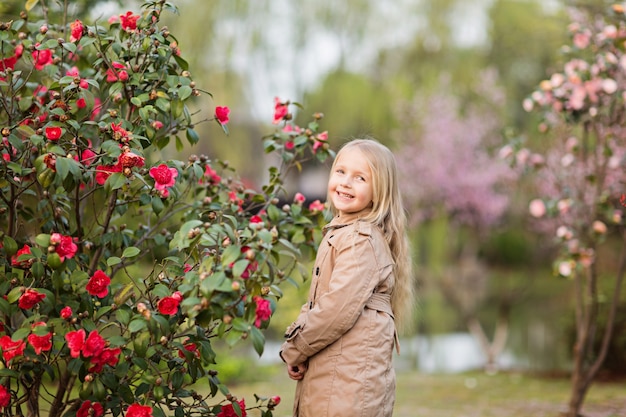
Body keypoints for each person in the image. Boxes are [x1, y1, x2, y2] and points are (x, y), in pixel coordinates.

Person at [279, 138, 414, 417]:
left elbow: (335, 310)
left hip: (346, 386)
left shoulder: (359, 239)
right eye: (340, 172)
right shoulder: (344, 232)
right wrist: (300, 349)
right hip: (338, 378)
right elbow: (320, 302)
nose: (345, 182)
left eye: (360, 177)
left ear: (379, 192)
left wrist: (295, 347)